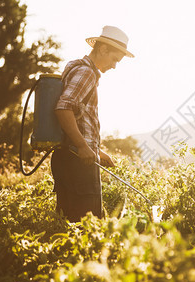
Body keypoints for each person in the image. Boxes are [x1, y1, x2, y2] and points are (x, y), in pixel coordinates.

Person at [51, 26, 134, 222]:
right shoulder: (86, 73)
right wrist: (82, 146)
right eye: (114, 59)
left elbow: (78, 117)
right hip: (77, 162)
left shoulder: (75, 67)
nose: (114, 66)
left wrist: (96, 151)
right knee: (88, 225)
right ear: (103, 49)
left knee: (68, 222)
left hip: (67, 157)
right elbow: (63, 108)